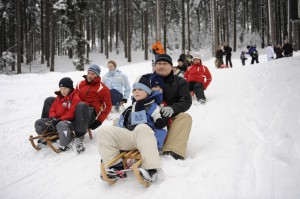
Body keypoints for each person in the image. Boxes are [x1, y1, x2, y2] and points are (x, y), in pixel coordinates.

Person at [97, 75, 167, 182]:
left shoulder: (153, 107)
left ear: (148, 91)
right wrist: (113, 139)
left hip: (146, 138)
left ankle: (151, 169)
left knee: (142, 127)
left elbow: (162, 128)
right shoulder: (130, 108)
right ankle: (115, 167)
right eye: (134, 89)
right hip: (130, 137)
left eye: (140, 89)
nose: (136, 92)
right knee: (104, 131)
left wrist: (157, 144)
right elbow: (119, 126)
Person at [40, 64, 112, 153]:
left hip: (88, 113)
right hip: (74, 109)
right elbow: (72, 96)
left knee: (81, 105)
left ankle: (79, 135)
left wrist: (99, 121)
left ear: (97, 75)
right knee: (49, 100)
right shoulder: (80, 84)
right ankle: (49, 128)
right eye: (89, 73)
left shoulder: (103, 89)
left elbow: (107, 106)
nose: (89, 75)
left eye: (92, 74)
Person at [151, 53, 192, 160]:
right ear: (155, 66)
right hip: (149, 116)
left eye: (165, 63)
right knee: (121, 119)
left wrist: (173, 108)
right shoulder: (146, 80)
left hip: (170, 117)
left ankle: (172, 151)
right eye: (158, 63)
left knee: (185, 118)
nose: (161, 66)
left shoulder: (180, 82)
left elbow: (186, 100)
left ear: (171, 67)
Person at [34, 77, 82, 152]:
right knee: (38, 123)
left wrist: (60, 119)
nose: (63, 91)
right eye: (61, 88)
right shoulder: (59, 97)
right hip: (57, 120)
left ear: (70, 88)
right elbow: (52, 109)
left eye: (65, 88)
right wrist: (52, 117)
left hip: (69, 122)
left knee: (61, 124)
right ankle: (48, 138)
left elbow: (71, 114)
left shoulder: (75, 98)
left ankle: (65, 144)